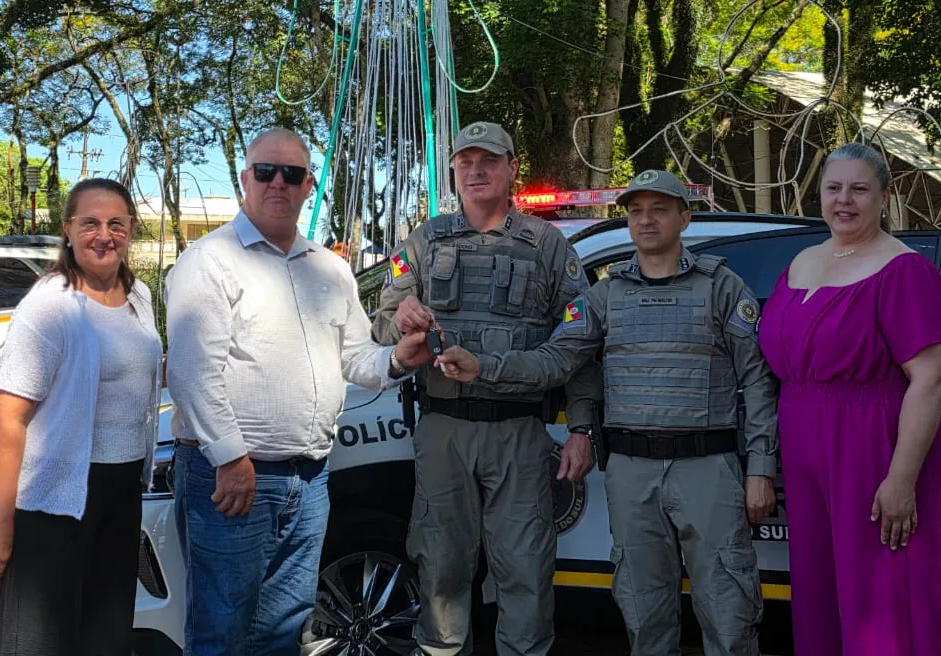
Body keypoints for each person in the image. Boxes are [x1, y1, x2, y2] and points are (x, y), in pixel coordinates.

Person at [437, 169, 779, 656]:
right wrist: (483, 367)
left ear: (684, 217)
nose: (646, 220)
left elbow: (757, 382)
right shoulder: (605, 296)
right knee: (644, 619)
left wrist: (760, 468)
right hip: (631, 476)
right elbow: (554, 359)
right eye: (636, 210)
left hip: (709, 469)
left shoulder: (721, 287)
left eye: (659, 209)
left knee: (729, 618)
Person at [164, 127, 434, 656]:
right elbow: (194, 375)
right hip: (236, 475)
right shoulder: (210, 261)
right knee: (223, 628)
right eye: (266, 171)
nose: (278, 183)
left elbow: (356, 358)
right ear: (246, 178)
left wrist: (399, 360)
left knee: (284, 628)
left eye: (292, 174)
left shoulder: (330, 270)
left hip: (309, 479)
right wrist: (231, 457)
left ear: (310, 184)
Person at [371, 121, 599, 656]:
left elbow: (581, 344)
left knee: (524, 572)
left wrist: (583, 425)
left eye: (489, 160)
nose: (476, 170)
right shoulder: (424, 240)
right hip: (443, 431)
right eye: (465, 160)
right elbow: (380, 325)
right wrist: (401, 317)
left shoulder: (547, 246)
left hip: (518, 434)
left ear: (512, 167)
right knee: (441, 571)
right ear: (453, 170)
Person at [758, 143, 941, 655]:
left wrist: (901, 479)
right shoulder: (801, 260)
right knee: (819, 590)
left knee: (877, 595)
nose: (845, 200)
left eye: (860, 189)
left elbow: (930, 381)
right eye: (834, 188)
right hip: (804, 446)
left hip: (871, 446)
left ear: (884, 196)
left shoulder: (903, 271)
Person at [0, 178, 164, 655]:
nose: (103, 235)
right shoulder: (49, 306)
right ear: (67, 229)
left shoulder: (140, 296)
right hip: (54, 501)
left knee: (104, 641)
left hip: (121, 491)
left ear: (130, 230)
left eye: (115, 223)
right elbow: (9, 422)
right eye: (89, 223)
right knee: (39, 643)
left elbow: (139, 379)